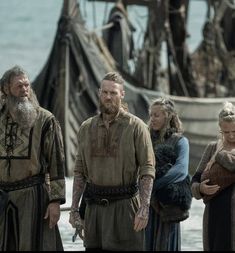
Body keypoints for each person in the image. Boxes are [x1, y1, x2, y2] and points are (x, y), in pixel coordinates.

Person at [69, 71, 155, 251]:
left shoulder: (137, 127)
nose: (108, 97)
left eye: (113, 93)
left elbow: (147, 170)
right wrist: (75, 210)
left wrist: (144, 208)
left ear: (122, 94)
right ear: (99, 93)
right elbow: (79, 172)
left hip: (125, 208)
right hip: (94, 210)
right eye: (105, 92)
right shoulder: (86, 127)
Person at [0, 65, 66, 251]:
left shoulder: (45, 120)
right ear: (5, 88)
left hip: (33, 198)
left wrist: (55, 201)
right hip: (2, 196)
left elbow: (56, 162)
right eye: (19, 86)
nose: (24, 90)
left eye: (27, 85)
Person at [145, 97, 191, 251]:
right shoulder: (145, 140)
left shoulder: (180, 141)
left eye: (156, 115)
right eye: (151, 115)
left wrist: (153, 185)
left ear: (168, 116)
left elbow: (180, 171)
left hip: (168, 204)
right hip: (145, 204)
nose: (152, 119)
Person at [191, 101, 235, 251]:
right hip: (214, 214)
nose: (230, 136)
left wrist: (220, 156)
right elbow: (195, 180)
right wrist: (201, 189)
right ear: (220, 130)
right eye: (226, 132)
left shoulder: (218, 153)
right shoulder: (211, 148)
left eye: (234, 131)